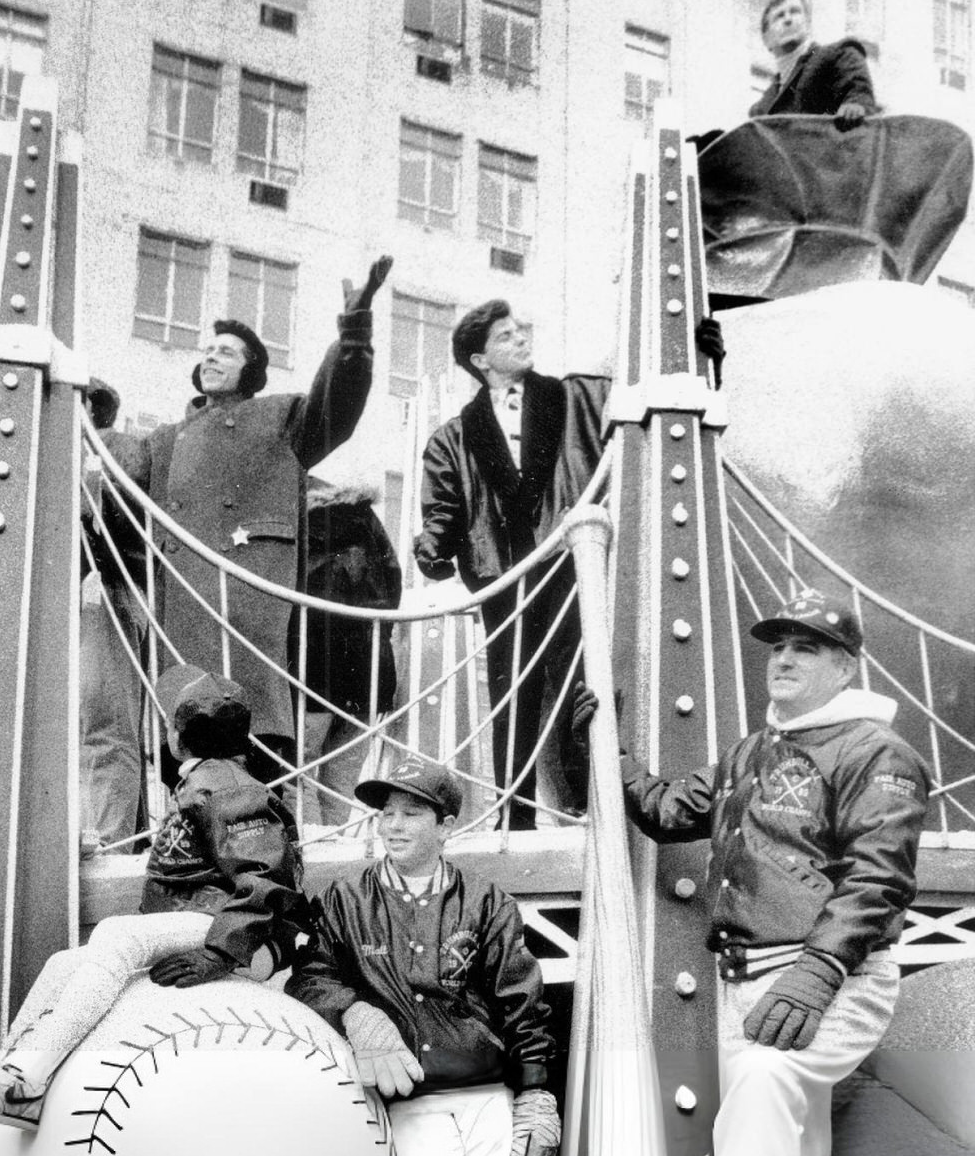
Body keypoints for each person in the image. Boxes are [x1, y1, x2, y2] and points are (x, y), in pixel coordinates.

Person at [574, 589, 929, 1156]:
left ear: (844, 665)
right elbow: (668, 809)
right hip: (749, 984)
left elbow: (878, 881)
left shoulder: (878, 752)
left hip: (830, 975)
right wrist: (604, 751)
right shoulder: (752, 752)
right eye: (778, 647)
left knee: (767, 1083)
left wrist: (816, 971)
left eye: (807, 648)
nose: (786, 659)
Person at [0, 667, 310, 1135]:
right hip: (213, 921)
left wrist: (220, 951)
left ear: (177, 737)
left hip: (244, 936)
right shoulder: (214, 781)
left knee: (114, 932)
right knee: (65, 964)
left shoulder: (226, 786)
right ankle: (5, 1084)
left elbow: (266, 876)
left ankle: (23, 1080)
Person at [287, 757, 570, 1156]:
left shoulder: (487, 902)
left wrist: (537, 1093)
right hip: (412, 1094)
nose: (392, 825)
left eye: (411, 813)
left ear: (445, 825)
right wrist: (358, 1015)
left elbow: (522, 1004)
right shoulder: (345, 898)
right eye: (385, 813)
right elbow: (310, 978)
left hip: (483, 1084)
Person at [416, 301, 722, 827]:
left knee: (591, 683)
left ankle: (596, 802)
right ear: (479, 359)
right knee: (515, 694)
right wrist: (433, 550)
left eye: (520, 329)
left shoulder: (581, 396)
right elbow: (443, 506)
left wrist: (703, 362)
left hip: (575, 565)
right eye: (505, 336)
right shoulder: (452, 436)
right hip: (505, 576)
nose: (520, 339)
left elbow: (657, 406)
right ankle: (516, 813)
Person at [121, 258, 391, 778]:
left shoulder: (281, 418)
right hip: (182, 631)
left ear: (252, 370)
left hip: (250, 630)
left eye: (226, 352)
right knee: (186, 777)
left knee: (262, 779)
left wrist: (354, 330)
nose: (212, 358)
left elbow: (341, 402)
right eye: (208, 351)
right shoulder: (163, 442)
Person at [293, 479, 402, 826]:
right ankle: (335, 861)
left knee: (300, 774)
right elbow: (393, 589)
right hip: (369, 678)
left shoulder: (299, 524)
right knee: (340, 782)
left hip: (313, 674)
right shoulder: (368, 523)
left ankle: (314, 865)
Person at [78, 377, 146, 851]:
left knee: (104, 723)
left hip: (106, 588)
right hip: (84, 590)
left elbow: (111, 521)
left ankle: (107, 840)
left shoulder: (114, 449)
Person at [749, 0, 877, 128]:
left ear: (808, 24)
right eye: (779, 16)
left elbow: (858, 93)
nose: (788, 19)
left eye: (795, 11)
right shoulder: (759, 109)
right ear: (767, 39)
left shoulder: (837, 55)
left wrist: (854, 106)